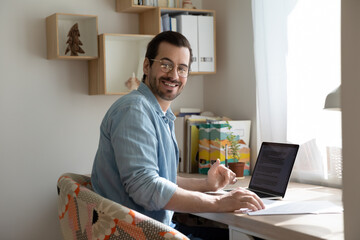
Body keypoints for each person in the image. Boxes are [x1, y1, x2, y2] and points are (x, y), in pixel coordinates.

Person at [91, 31, 265, 238]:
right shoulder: (134, 110)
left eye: (182, 69)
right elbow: (146, 187)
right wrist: (219, 202)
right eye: (165, 65)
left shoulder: (158, 113)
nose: (174, 75)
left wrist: (206, 185)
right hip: (136, 234)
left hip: (155, 229)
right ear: (147, 66)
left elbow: (159, 178)